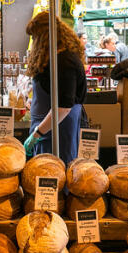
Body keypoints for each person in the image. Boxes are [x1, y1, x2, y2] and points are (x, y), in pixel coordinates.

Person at [23, 12, 87, 165]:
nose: (34, 42)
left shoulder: (64, 62)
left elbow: (63, 107)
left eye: (35, 37)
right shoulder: (52, 57)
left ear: (45, 36)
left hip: (58, 129)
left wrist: (37, 134)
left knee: (54, 172)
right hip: (47, 128)